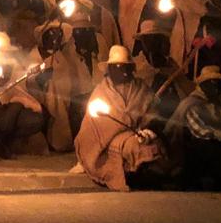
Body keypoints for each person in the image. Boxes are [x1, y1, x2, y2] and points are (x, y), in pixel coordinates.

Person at [74, 45, 170, 191]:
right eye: (117, 66)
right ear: (109, 69)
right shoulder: (101, 91)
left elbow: (152, 114)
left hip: (139, 133)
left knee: (154, 144)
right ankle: (132, 175)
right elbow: (98, 125)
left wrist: (149, 130)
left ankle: (154, 174)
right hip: (110, 138)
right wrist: (126, 130)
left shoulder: (141, 88)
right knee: (133, 146)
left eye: (125, 66)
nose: (122, 71)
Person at [163, 66, 221, 190]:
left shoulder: (211, 103)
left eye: (218, 83)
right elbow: (200, 131)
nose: (216, 87)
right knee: (210, 146)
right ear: (203, 84)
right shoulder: (191, 104)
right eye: (213, 83)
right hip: (180, 155)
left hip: (198, 150)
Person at [26, 19, 78, 152]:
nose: (55, 38)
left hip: (59, 97)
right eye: (51, 34)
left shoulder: (60, 56)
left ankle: (61, 140)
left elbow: (67, 80)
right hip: (38, 96)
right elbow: (27, 81)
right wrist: (41, 79)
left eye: (58, 34)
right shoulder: (34, 56)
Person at [65, 11, 109, 130]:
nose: (82, 34)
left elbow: (106, 67)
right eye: (78, 31)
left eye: (86, 30)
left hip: (101, 92)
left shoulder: (99, 41)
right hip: (77, 97)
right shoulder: (68, 47)